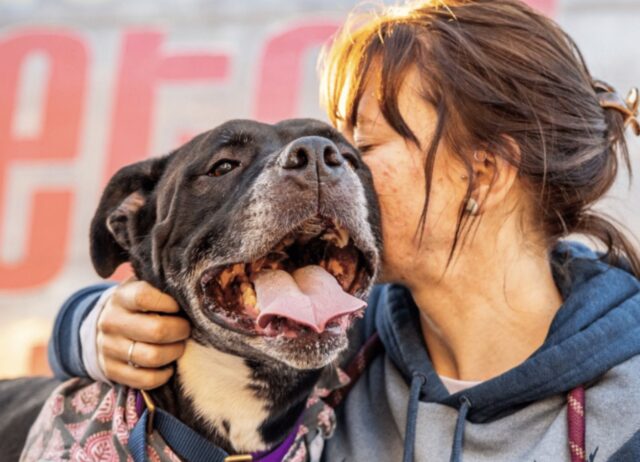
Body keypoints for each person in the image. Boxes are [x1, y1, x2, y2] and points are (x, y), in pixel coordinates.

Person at [48, 0, 640, 460]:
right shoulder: (339, 338)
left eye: (361, 144)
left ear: (481, 175)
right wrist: (91, 328)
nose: (329, 162)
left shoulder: (626, 409)